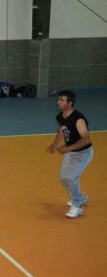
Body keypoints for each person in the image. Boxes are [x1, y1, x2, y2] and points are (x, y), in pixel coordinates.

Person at [46, 90, 94, 218]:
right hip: (71, 151)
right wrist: (54, 144)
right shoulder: (61, 116)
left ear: (70, 103)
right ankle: (81, 197)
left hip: (83, 153)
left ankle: (77, 206)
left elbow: (86, 140)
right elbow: (62, 129)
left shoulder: (78, 119)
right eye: (58, 99)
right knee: (63, 177)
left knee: (71, 178)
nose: (58, 102)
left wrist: (68, 148)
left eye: (61, 100)